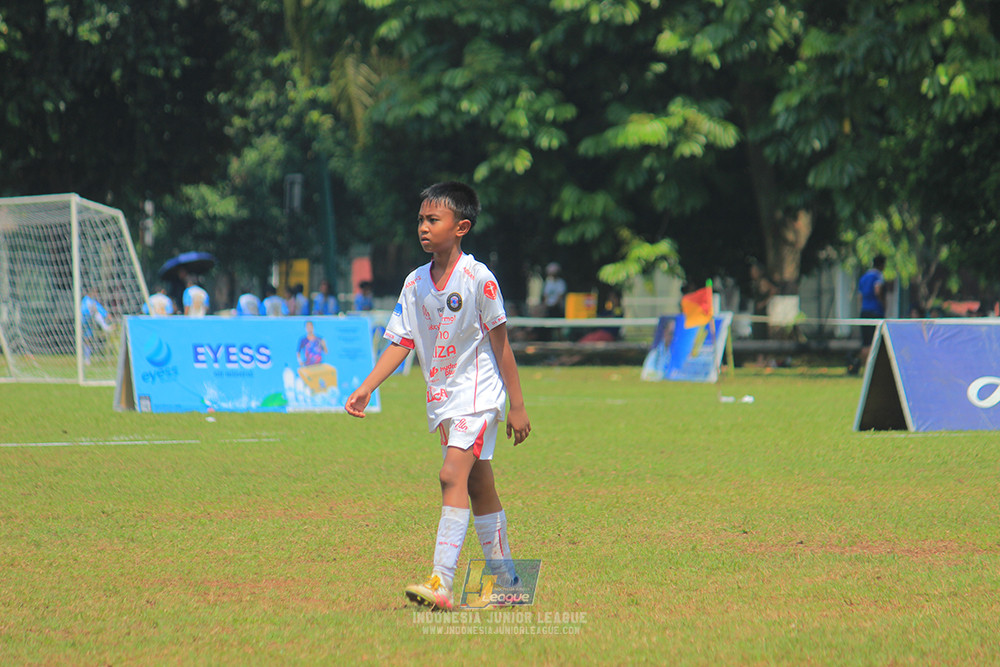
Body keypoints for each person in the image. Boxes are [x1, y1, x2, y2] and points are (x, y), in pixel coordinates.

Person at [345, 181, 531, 612]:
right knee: (479, 484)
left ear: (461, 226)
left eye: (434, 220)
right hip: (444, 400)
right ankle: (509, 584)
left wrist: (517, 405)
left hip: (479, 396)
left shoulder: (479, 279)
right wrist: (368, 386)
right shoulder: (414, 283)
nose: (423, 228)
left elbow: (501, 345)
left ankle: (441, 583)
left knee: (451, 475)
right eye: (421, 220)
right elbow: (401, 341)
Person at [850, 254, 887, 374]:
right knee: (875, 341)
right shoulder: (878, 276)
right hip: (875, 312)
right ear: (882, 265)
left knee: (866, 342)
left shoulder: (864, 277)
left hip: (864, 312)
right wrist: (883, 303)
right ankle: (871, 370)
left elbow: (860, 296)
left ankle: (863, 368)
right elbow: (877, 290)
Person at [81, 288, 111, 364]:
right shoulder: (86, 301)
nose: (96, 295)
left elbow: (98, 307)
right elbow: (84, 311)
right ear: (91, 293)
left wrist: (106, 314)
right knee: (85, 339)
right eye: (95, 293)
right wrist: (93, 311)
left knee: (88, 339)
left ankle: (87, 358)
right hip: (84, 321)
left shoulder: (92, 301)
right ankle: (105, 326)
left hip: (89, 321)